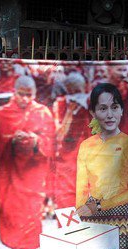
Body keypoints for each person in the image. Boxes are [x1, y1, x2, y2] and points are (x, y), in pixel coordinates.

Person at [75, 82, 128, 249]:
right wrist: (80, 210)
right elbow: (81, 187)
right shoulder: (86, 146)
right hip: (92, 216)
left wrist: (98, 206)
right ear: (93, 113)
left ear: (121, 110)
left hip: (125, 216)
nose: (109, 115)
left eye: (114, 107)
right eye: (103, 108)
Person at [0, 75, 56, 249]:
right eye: (22, 94)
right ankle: (15, 247)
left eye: (30, 95)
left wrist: (35, 141)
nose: (25, 99)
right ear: (15, 92)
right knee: (12, 215)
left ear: (35, 94)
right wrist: (12, 140)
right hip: (10, 174)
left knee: (32, 216)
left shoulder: (43, 113)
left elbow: (51, 143)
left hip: (33, 174)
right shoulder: (1, 114)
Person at [50, 72, 91, 209]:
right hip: (66, 160)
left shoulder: (91, 103)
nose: (76, 95)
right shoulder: (60, 104)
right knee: (65, 200)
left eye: (78, 91)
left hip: (87, 159)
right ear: (67, 90)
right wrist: (69, 112)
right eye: (72, 91)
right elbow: (59, 136)